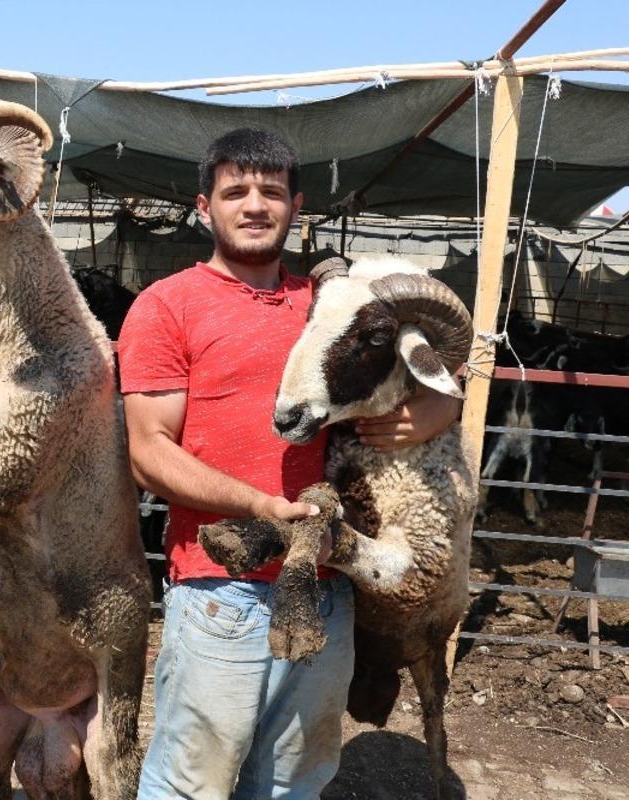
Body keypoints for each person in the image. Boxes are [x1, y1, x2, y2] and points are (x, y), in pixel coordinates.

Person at [119, 128, 461, 799]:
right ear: (203, 206)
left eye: (270, 192)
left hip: (328, 587)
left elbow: (440, 361)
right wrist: (259, 507)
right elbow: (148, 451)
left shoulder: (332, 305)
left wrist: (438, 411)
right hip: (221, 586)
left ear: (295, 206)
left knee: (293, 784)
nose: (254, 205)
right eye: (235, 191)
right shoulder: (167, 306)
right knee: (194, 785)